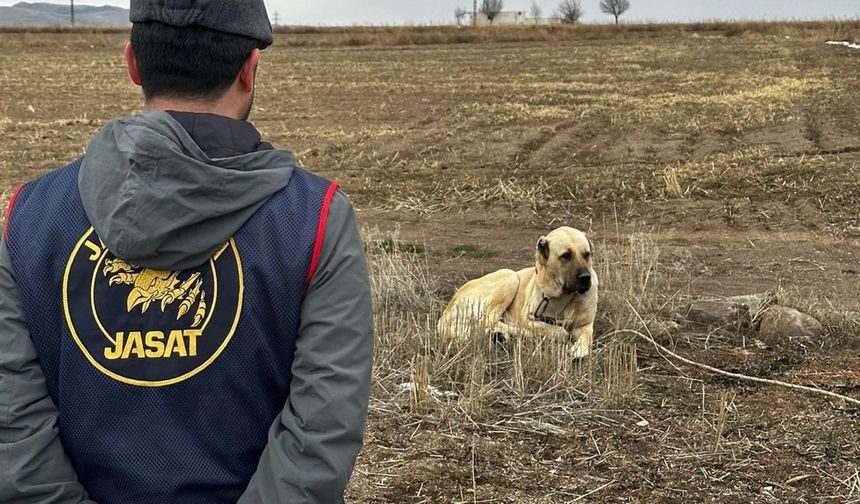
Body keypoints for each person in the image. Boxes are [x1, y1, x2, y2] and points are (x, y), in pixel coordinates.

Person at [0, 1, 374, 503]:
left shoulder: (26, 219)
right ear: (249, 69)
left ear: (133, 64)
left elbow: (14, 432)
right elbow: (318, 437)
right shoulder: (317, 221)